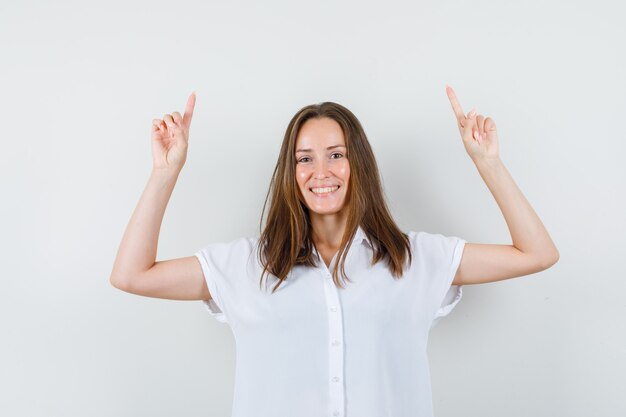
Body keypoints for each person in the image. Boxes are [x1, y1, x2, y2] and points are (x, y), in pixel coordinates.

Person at [109, 86, 559, 417]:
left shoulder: (415, 259)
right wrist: (165, 172)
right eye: (304, 158)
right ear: (291, 171)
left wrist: (489, 163)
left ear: (358, 163)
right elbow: (131, 275)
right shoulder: (248, 267)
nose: (320, 171)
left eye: (335, 154)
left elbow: (536, 253)